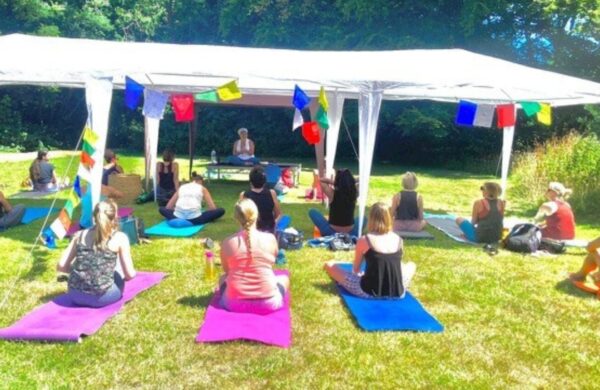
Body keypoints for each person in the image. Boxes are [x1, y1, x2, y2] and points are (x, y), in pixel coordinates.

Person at [324, 202, 416, 298]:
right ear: (389, 219)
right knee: (411, 265)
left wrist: (359, 274)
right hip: (397, 292)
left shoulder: (365, 239)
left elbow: (356, 269)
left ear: (371, 219)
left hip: (368, 291)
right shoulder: (398, 239)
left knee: (330, 265)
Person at [56, 200, 136, 308]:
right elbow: (129, 275)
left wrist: (81, 273)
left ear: (94, 217)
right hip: (102, 297)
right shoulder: (120, 238)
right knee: (116, 274)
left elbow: (61, 266)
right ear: (115, 218)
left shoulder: (79, 235)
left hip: (75, 295)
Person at [218, 199, 289, 314]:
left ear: (236, 218)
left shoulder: (227, 242)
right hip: (268, 303)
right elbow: (271, 264)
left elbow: (227, 272)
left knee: (222, 279)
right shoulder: (270, 239)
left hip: (235, 304)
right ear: (257, 215)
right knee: (284, 279)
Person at [308, 168, 361, 236]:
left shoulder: (332, 193)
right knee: (363, 218)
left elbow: (321, 180)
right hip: (351, 233)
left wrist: (336, 183)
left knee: (312, 211)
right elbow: (363, 180)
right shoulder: (354, 193)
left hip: (331, 232)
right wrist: (349, 182)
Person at [159, 172, 225, 225]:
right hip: (195, 219)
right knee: (221, 210)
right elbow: (212, 208)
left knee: (162, 209)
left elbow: (168, 207)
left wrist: (178, 209)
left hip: (177, 216)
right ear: (201, 182)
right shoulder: (202, 188)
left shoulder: (182, 187)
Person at [240, 166, 282, 233]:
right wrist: (273, 225)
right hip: (268, 229)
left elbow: (242, 218)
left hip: (251, 230)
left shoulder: (244, 195)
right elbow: (279, 214)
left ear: (250, 181)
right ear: (265, 181)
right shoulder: (272, 193)